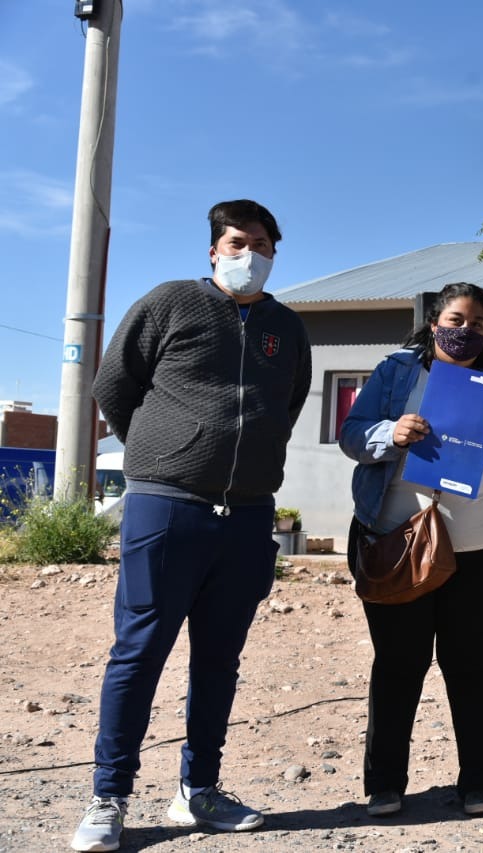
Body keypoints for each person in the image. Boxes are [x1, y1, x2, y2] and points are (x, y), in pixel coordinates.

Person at [74, 200, 311, 852]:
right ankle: (108, 796)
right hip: (166, 508)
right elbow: (114, 385)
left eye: (262, 243)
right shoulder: (170, 302)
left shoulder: (286, 328)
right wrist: (163, 453)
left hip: (247, 517)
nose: (250, 254)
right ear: (214, 249)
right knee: (139, 650)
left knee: (218, 659)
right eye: (238, 242)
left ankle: (197, 791)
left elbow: (285, 406)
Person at [339, 282, 483, 819]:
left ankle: (480, 783)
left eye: (478, 323)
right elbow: (352, 436)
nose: (466, 331)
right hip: (400, 547)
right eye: (456, 319)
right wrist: (392, 432)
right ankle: (384, 785)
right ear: (433, 323)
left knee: (472, 664)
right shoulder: (394, 374)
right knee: (398, 665)